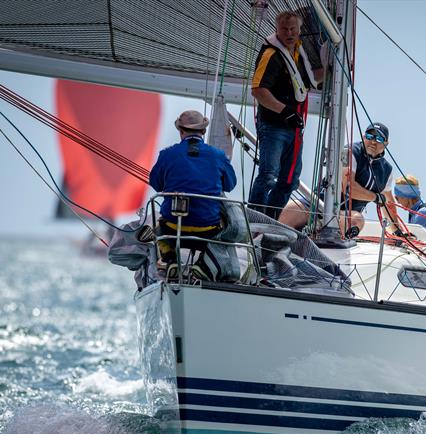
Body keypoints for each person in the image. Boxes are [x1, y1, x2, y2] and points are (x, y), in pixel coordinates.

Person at [248, 11, 324, 220]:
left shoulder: (297, 52)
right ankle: (254, 220)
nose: (289, 33)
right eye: (284, 29)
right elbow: (258, 90)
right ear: (277, 30)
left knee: (290, 181)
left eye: (293, 29)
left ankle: (270, 220)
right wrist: (285, 111)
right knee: (268, 176)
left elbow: (309, 79)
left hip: (293, 128)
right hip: (273, 126)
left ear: (299, 31)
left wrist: (335, 67)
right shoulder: (271, 55)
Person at [149, 110, 237, 270]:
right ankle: (205, 264)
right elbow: (230, 185)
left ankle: (170, 259)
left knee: (156, 227)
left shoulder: (166, 155)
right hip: (208, 230)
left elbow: (156, 184)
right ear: (203, 131)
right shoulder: (218, 156)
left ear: (180, 131)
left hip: (173, 228)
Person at [279, 123, 401, 238]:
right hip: (317, 204)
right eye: (370, 136)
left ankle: (315, 232)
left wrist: (397, 231)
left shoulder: (386, 170)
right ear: (364, 137)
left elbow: (388, 202)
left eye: (379, 139)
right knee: (288, 211)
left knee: (357, 220)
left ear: (386, 143)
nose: (373, 142)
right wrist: (375, 197)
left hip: (345, 216)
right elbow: (347, 187)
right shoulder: (350, 152)